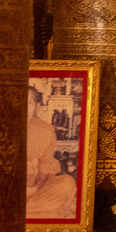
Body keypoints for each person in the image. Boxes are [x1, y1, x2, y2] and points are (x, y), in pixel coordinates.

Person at [26, 85, 77, 220]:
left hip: (33, 190)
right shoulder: (0, 126)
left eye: (29, 103)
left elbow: (46, 165)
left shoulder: (46, 130)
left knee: (67, 183)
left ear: (37, 106)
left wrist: (35, 188)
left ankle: (26, 210)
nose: (23, 108)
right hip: (5, 192)